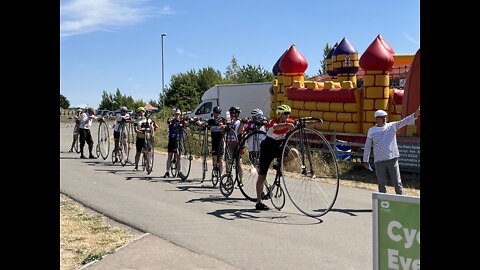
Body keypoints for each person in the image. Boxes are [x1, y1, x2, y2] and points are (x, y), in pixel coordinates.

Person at [363, 106, 421, 195]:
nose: (384, 118)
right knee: (381, 184)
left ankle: (401, 201)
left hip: (392, 159)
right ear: (377, 119)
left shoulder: (392, 126)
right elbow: (367, 146)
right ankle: (383, 204)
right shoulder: (371, 131)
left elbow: (404, 122)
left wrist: (415, 115)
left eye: (385, 116)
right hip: (379, 161)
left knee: (397, 182)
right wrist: (365, 160)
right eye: (382, 117)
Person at [255, 104, 299, 210]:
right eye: (285, 114)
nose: (287, 116)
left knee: (294, 153)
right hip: (267, 149)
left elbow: (299, 122)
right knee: (262, 176)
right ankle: (258, 202)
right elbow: (275, 127)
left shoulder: (289, 122)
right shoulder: (273, 122)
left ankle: (279, 163)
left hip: (279, 147)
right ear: (279, 114)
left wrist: (317, 121)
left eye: (289, 114)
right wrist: (287, 126)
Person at [197, 106, 227, 176]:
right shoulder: (211, 121)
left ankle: (220, 175)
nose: (217, 114)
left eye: (219, 113)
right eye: (216, 113)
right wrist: (198, 122)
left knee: (220, 158)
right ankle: (215, 172)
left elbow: (226, 127)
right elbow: (203, 124)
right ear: (213, 113)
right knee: (214, 157)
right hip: (214, 141)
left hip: (221, 141)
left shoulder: (223, 120)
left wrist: (224, 127)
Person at [133, 107, 158, 171]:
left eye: (142, 112)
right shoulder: (137, 121)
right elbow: (135, 130)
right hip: (140, 139)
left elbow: (153, 127)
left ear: (145, 113)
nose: (141, 113)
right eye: (140, 112)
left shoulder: (148, 120)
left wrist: (152, 135)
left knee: (149, 152)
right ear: (138, 113)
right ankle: (136, 166)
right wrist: (142, 132)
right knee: (138, 153)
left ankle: (149, 166)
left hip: (147, 138)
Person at [226, 106, 245, 182]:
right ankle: (228, 178)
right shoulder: (228, 121)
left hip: (236, 143)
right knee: (228, 161)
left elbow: (240, 132)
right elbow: (223, 130)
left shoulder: (239, 122)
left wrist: (242, 123)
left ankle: (241, 180)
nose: (231, 116)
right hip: (228, 142)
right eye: (230, 114)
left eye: (233, 114)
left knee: (239, 163)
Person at [163, 108, 183, 178]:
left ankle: (179, 172)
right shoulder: (172, 121)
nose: (177, 115)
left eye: (178, 114)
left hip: (179, 141)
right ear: (173, 115)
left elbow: (187, 123)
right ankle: (167, 172)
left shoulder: (181, 121)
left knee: (178, 157)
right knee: (170, 156)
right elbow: (169, 123)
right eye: (176, 114)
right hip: (172, 140)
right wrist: (169, 122)